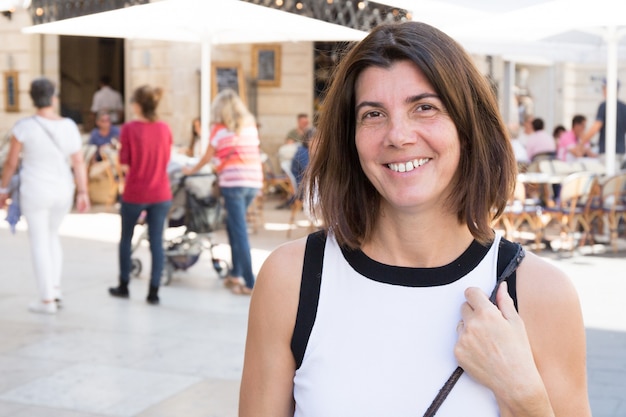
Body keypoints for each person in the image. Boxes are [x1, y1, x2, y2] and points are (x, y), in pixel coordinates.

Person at [239, 21, 591, 417]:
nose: (398, 135)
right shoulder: (292, 278)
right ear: (350, 139)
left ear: (467, 128)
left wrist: (525, 395)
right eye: (373, 114)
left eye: (424, 108)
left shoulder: (541, 294)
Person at [0, 77, 90, 314]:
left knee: (39, 241)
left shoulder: (23, 127)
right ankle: (55, 288)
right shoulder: (69, 126)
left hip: (36, 190)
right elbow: (78, 161)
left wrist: (3, 189)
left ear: (32, 98)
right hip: (63, 190)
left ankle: (46, 299)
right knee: (52, 237)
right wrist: (83, 191)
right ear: (54, 97)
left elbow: (10, 163)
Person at [182, 89, 263, 295]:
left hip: (233, 184)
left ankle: (249, 281)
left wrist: (191, 170)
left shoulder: (218, 129)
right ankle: (235, 273)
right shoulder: (250, 127)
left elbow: (206, 157)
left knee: (239, 229)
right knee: (233, 225)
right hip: (253, 182)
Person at [108, 85, 172, 305]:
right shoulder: (165, 128)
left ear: (137, 104)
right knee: (156, 242)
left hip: (136, 191)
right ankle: (154, 291)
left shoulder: (129, 129)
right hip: (161, 191)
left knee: (126, 238)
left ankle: (124, 284)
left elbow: (124, 165)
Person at [581, 79, 626, 167]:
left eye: (604, 88)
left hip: (608, 152)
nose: (603, 90)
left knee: (607, 179)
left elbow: (596, 126)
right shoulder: (623, 107)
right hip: (620, 151)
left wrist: (582, 141)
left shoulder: (605, 105)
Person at [276, 114, 310, 209]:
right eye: (303, 122)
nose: (305, 124)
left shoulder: (309, 132)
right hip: (295, 165)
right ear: (299, 122)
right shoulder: (294, 135)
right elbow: (289, 145)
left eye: (306, 122)